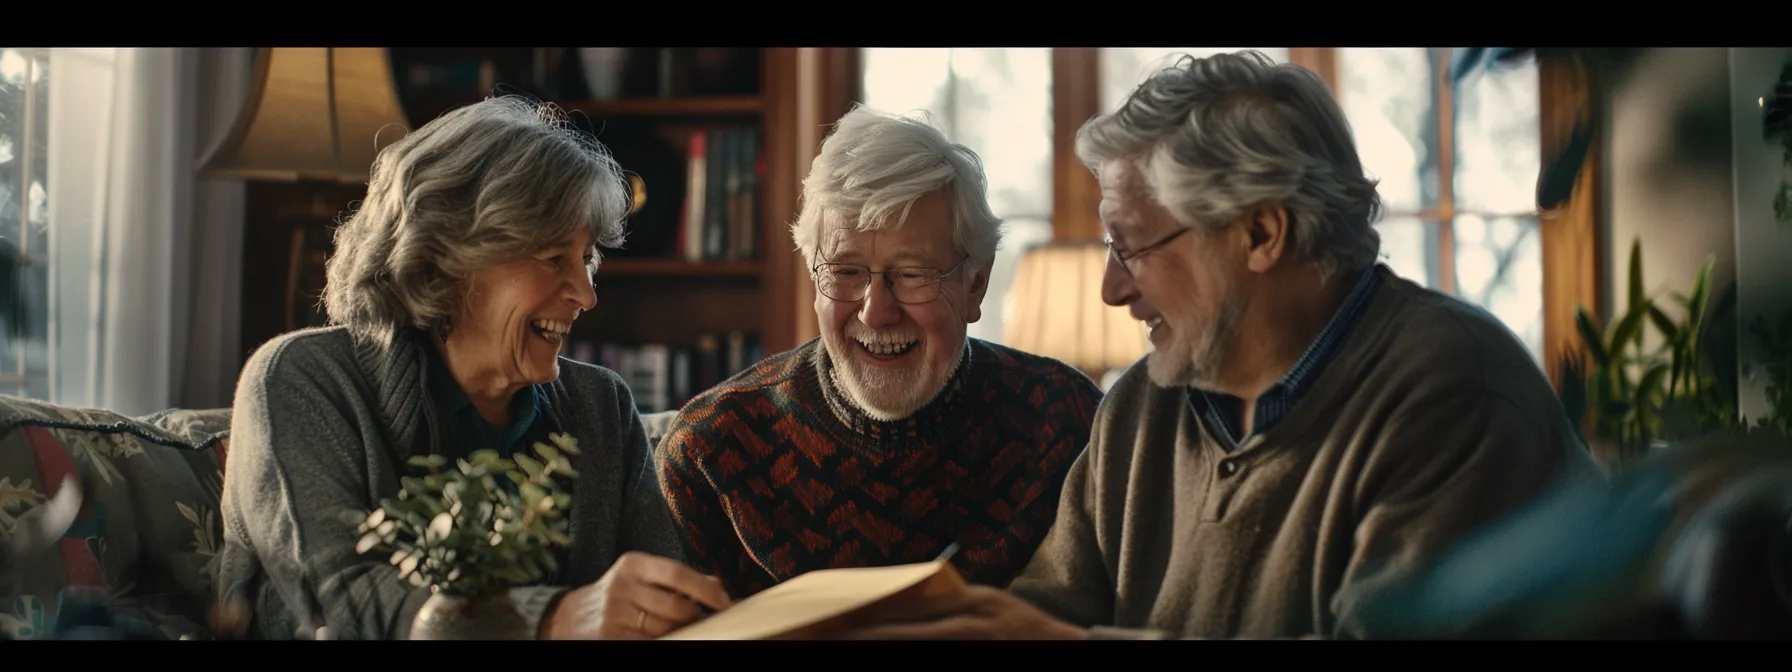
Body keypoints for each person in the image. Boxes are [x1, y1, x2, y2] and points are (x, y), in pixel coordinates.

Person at [832, 50, 1600, 640]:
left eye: (1131, 247)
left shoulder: (1454, 393)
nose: (1111, 289)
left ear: (1260, 234)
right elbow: (1045, 613)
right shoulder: (1141, 408)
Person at [216, 96, 731, 641]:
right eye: (553, 259)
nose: (585, 294)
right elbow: (346, 605)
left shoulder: (600, 405)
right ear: (444, 260)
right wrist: (553, 619)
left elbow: (666, 603)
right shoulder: (303, 381)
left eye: (587, 260)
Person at [654, 105, 1104, 600]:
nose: (875, 312)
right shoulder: (711, 447)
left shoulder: (1067, 422)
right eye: (845, 272)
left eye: (912, 274)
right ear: (813, 280)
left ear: (976, 284)